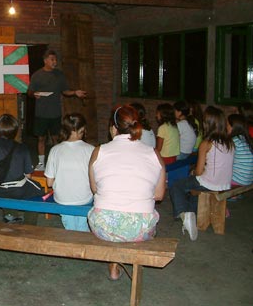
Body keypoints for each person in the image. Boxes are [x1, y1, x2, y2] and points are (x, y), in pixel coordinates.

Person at [88, 105, 165, 280]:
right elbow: (159, 195)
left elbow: (94, 189)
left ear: (113, 128)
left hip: (103, 226)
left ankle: (114, 265)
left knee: (115, 224)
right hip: (140, 228)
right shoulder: (154, 154)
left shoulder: (99, 151)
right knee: (131, 225)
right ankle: (126, 262)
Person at [169, 106, 234, 241]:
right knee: (193, 189)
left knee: (177, 185)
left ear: (208, 124)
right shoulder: (230, 142)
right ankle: (192, 215)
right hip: (224, 183)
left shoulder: (206, 143)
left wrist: (195, 171)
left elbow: (198, 172)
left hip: (209, 183)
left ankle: (184, 215)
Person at [27, 49, 87, 171]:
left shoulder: (59, 75)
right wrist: (34, 94)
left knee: (56, 139)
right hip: (41, 113)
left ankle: (58, 161)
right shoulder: (37, 75)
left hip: (55, 112)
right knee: (41, 138)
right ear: (45, 60)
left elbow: (65, 91)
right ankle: (41, 163)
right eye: (52, 59)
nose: (55, 62)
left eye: (55, 60)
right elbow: (29, 92)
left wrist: (75, 92)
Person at [0, 114, 42, 225]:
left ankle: (11, 218)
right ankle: (29, 224)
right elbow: (28, 175)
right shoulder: (22, 148)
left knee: (8, 192)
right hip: (18, 189)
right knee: (37, 190)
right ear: (15, 130)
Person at [45, 113, 94, 231]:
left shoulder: (55, 150)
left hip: (63, 198)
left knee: (71, 224)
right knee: (81, 223)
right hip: (84, 197)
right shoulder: (91, 150)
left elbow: (49, 183)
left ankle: (73, 233)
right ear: (82, 129)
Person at [227, 114, 253, 186]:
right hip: (248, 180)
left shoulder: (234, 141)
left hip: (237, 181)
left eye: (227, 125)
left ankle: (232, 195)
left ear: (233, 127)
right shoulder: (246, 139)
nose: (226, 127)